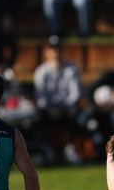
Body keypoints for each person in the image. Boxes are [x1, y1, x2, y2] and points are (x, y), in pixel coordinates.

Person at [33, 36, 83, 164]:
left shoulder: (72, 69)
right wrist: (50, 109)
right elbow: (41, 97)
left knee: (75, 112)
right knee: (37, 116)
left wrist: (61, 108)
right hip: (48, 110)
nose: (56, 52)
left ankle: (71, 148)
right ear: (47, 51)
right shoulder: (41, 71)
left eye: (58, 49)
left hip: (65, 109)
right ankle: (44, 149)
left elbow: (75, 95)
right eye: (53, 49)